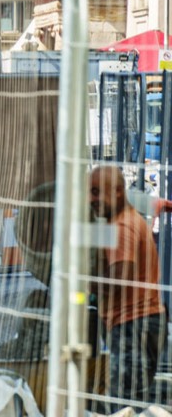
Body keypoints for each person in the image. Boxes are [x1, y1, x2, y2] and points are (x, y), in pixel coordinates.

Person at [88, 165, 166, 407]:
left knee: (125, 404)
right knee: (129, 400)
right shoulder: (125, 221)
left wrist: (82, 282)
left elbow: (118, 276)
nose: (92, 199)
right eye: (91, 192)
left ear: (119, 193)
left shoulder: (122, 226)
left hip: (133, 325)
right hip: (141, 323)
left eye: (97, 192)